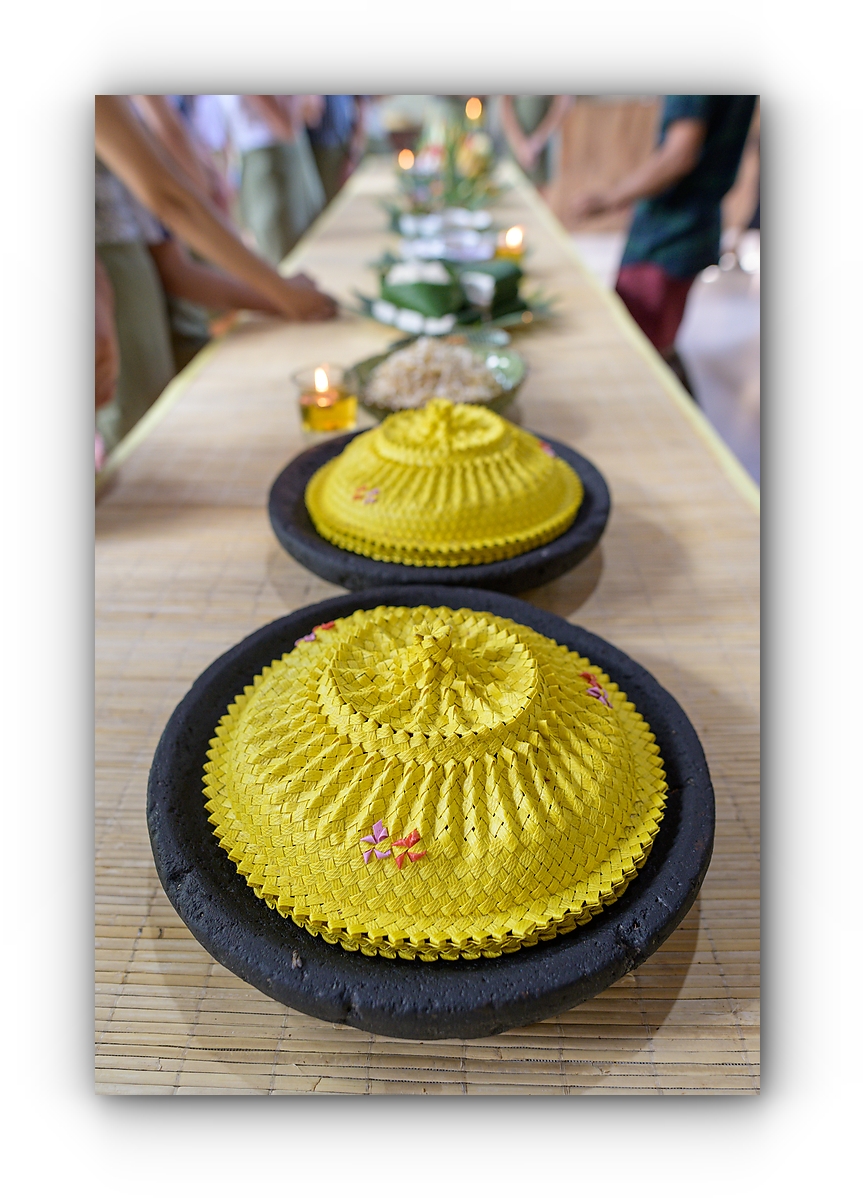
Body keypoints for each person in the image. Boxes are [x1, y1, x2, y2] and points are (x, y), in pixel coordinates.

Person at [94, 95, 336, 455]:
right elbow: (173, 199)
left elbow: (173, 266)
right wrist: (283, 293)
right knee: (136, 440)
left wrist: (279, 297)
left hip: (144, 295)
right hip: (116, 304)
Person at [569, 95, 758, 391]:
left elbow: (679, 154)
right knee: (659, 345)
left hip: (667, 234)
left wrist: (611, 198)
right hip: (696, 225)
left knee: (637, 352)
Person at [219, 95, 326, 264]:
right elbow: (286, 124)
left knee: (313, 246)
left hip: (288, 158)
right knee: (285, 259)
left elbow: (313, 113)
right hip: (269, 167)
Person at [498, 95, 572, 191]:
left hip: (545, 143)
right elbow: (504, 103)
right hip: (516, 142)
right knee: (514, 187)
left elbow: (563, 102)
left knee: (541, 191)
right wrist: (519, 144)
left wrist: (537, 143)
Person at [306, 95, 369, 205]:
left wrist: (353, 155)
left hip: (340, 145)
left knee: (341, 201)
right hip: (316, 146)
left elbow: (362, 106)